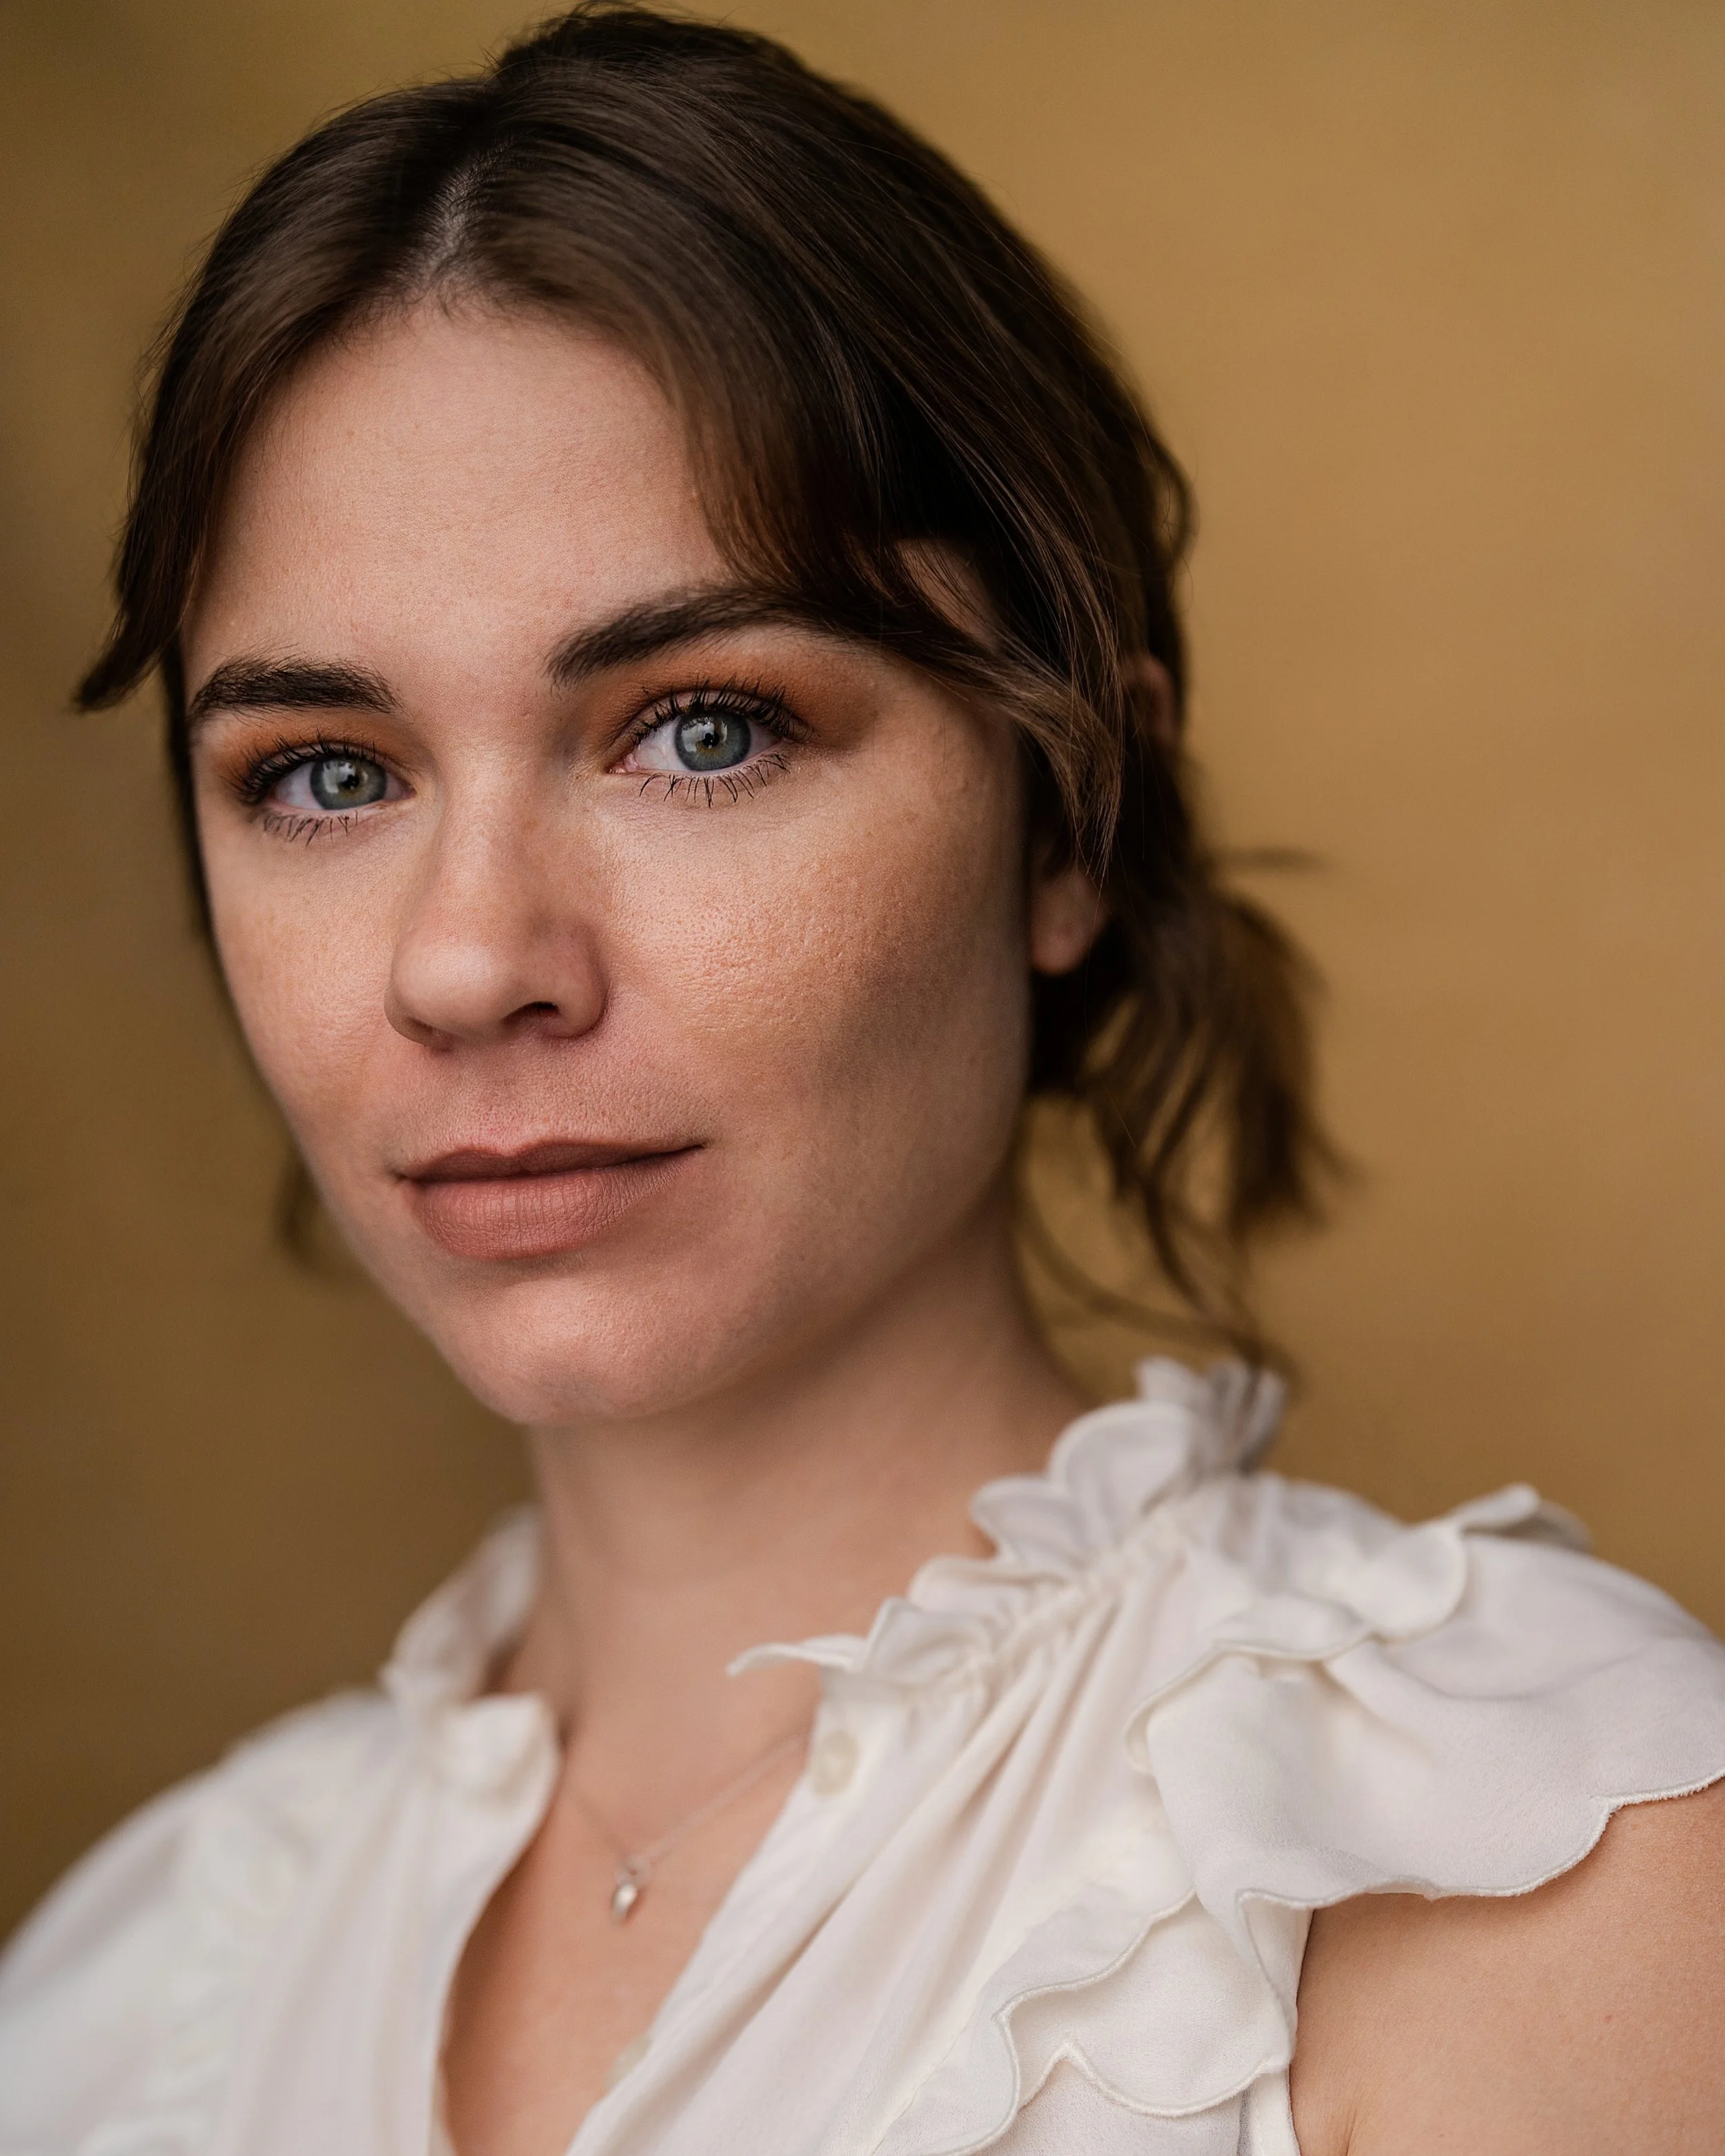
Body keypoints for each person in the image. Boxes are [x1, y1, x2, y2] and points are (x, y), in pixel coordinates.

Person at [3, 6, 1723, 2151]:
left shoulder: (1531, 1860)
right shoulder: (112, 2004)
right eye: (326, 774)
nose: (466, 963)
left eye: (700, 727)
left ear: (1073, 814)